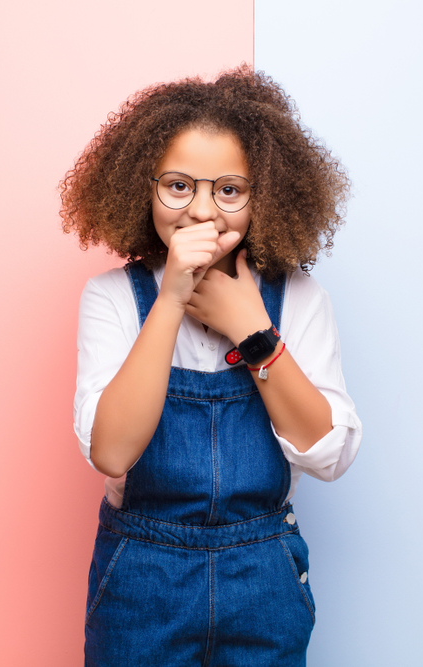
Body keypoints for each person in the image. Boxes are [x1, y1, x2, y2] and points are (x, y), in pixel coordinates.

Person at [61, 65, 361, 666]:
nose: (202, 210)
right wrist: (170, 299)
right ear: (142, 190)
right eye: (178, 186)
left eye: (228, 190)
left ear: (263, 195)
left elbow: (329, 454)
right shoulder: (113, 299)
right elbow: (112, 453)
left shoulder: (298, 300)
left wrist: (253, 331)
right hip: (144, 577)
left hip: (263, 575)